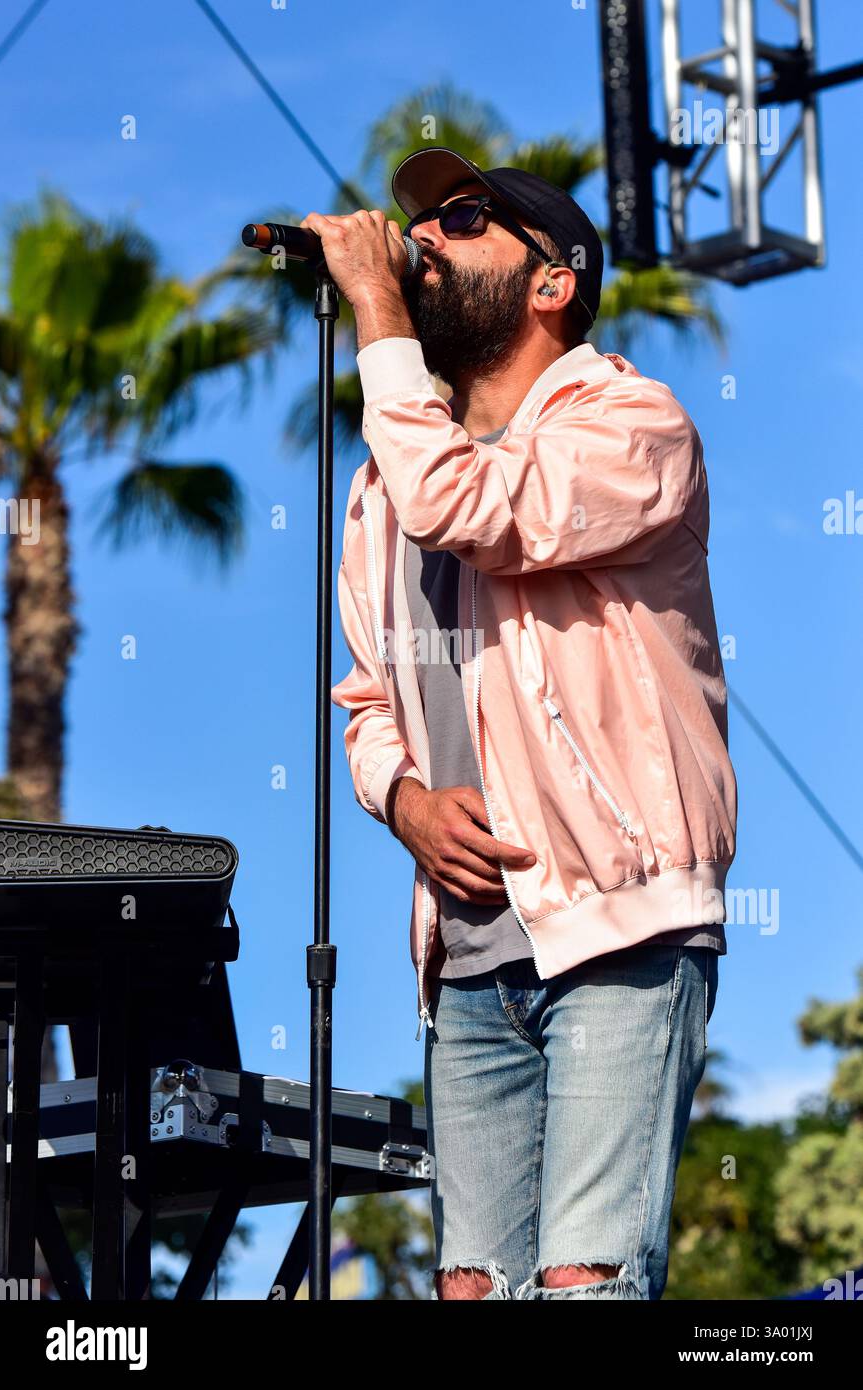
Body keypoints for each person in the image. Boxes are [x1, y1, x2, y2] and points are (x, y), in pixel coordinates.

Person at [303, 146, 737, 1300]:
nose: (424, 238)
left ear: (553, 281)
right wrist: (403, 800)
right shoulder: (380, 487)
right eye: (421, 224)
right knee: (472, 1292)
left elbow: (478, 509)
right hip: (468, 957)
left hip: (619, 931)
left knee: (584, 1283)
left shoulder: (633, 423)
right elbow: (367, 697)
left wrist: (377, 308)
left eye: (465, 220)